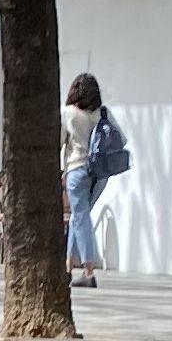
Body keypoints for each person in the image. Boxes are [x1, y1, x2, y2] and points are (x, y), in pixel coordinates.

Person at [65, 72, 130, 288]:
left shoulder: (68, 113)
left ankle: (89, 270)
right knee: (79, 216)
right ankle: (68, 265)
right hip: (99, 172)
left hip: (76, 169)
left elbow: (60, 142)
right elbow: (122, 138)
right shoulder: (103, 113)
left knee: (80, 216)